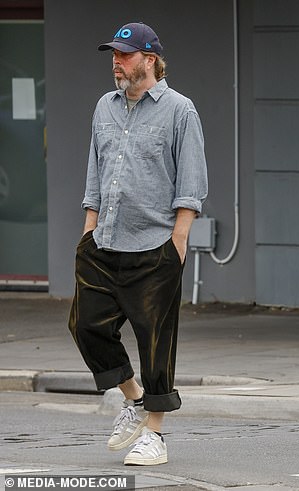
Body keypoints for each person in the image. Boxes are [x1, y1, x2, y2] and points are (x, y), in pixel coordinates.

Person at [68, 22, 208, 465]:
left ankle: (155, 434)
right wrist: (88, 228)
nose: (116, 62)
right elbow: (95, 169)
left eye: (125, 55)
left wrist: (178, 243)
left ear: (150, 60)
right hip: (103, 241)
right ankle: (132, 399)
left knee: (155, 342)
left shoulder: (180, 111)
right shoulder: (103, 108)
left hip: (154, 248)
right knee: (85, 326)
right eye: (114, 55)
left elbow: (191, 182)